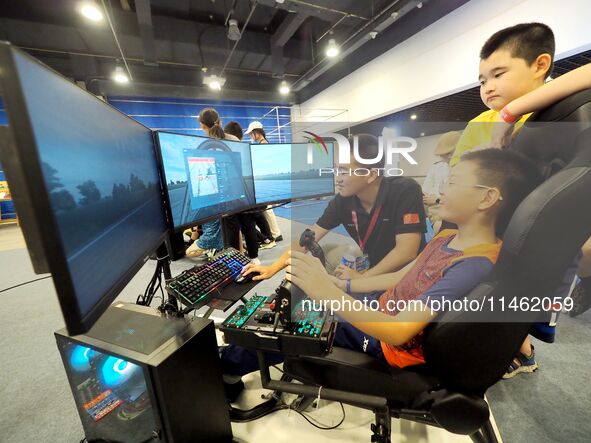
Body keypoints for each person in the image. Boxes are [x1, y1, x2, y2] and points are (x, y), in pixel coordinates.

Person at [221, 149, 543, 392]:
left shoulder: (473, 265)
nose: (441, 191)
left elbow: (398, 330)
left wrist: (329, 292)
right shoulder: (449, 236)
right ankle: (235, 352)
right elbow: (405, 276)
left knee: (297, 319)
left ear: (487, 198)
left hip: (391, 343)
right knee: (301, 305)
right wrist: (342, 287)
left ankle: (223, 366)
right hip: (384, 303)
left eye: (453, 183)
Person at [449, 22, 586, 377]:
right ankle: (515, 351)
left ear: (540, 65)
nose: (488, 87)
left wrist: (511, 114)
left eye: (498, 73)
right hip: (486, 234)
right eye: (481, 80)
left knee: (512, 311)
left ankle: (519, 353)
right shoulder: (480, 122)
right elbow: (458, 177)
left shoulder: (556, 107)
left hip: (532, 240)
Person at [241, 134, 426, 284]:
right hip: (370, 262)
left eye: (344, 171)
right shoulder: (343, 201)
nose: (337, 178)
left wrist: (363, 279)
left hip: (408, 273)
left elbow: (406, 252)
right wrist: (272, 268)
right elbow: (308, 237)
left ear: (370, 174)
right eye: (336, 170)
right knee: (325, 251)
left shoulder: (405, 190)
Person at [185, 108, 239, 258]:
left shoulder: (203, 146)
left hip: (217, 198)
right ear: (220, 122)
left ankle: (215, 248)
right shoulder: (234, 140)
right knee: (234, 229)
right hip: (237, 197)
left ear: (203, 126)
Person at [222, 120, 275, 263]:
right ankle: (255, 254)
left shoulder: (232, 150)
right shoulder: (248, 148)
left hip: (241, 194)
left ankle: (242, 256)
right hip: (250, 194)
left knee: (242, 225)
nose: (251, 136)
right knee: (250, 224)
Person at [245, 121, 283, 243]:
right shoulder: (263, 144)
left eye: (251, 134)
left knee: (268, 209)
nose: (251, 136)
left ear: (257, 132)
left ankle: (276, 234)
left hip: (265, 182)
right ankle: (274, 233)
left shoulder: (263, 145)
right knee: (267, 209)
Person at [422, 131, 461, 232]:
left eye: (450, 153)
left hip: (456, 214)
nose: (448, 156)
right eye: (445, 153)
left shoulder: (466, 170)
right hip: (435, 212)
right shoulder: (436, 167)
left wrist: (437, 200)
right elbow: (425, 192)